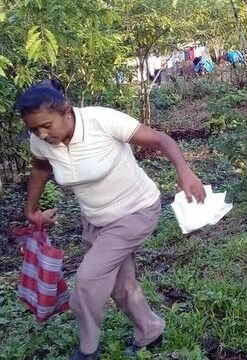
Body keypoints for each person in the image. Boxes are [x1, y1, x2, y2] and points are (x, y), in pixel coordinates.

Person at [16, 79, 206, 360]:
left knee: (88, 280)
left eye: (47, 125)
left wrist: (184, 171)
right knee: (120, 284)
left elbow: (160, 139)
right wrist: (31, 210)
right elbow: (40, 168)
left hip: (135, 211)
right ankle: (150, 330)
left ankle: (88, 349)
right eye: (34, 129)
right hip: (95, 219)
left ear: (67, 111)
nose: (42, 134)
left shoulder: (101, 121)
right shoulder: (41, 142)